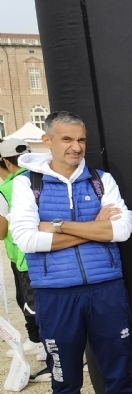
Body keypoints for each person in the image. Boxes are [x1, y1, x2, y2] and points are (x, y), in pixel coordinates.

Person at [8, 111, 132, 394]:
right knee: (64, 374)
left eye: (81, 140)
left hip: (106, 290)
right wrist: (95, 229)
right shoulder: (29, 185)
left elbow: (122, 229)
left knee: (117, 369)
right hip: (56, 296)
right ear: (49, 141)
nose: (76, 147)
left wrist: (57, 226)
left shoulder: (100, 180)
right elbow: (26, 239)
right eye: (66, 140)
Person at [0, 137, 50, 380]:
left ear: (7, 163)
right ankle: (44, 346)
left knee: (36, 308)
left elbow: (1, 231)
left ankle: (55, 358)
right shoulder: (44, 178)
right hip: (48, 252)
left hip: (25, 256)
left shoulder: (8, 188)